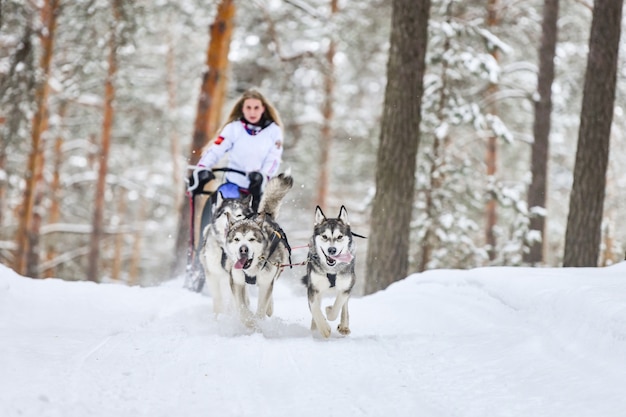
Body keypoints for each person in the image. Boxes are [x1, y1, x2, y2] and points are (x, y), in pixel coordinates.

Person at [188, 88, 284, 213]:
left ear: (263, 109)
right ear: (242, 109)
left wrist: (263, 175)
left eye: (256, 108)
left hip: (259, 188)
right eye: (248, 108)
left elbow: (274, 158)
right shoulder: (233, 128)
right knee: (224, 210)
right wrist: (202, 168)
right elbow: (216, 150)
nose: (252, 112)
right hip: (233, 186)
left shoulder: (274, 131)